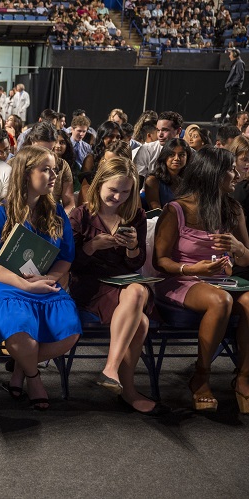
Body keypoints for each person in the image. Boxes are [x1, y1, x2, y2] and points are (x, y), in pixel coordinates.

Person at [0, 145, 82, 410]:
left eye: (54, 169)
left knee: (69, 332)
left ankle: (20, 368)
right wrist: (24, 284)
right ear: (25, 174)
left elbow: (66, 258)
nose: (53, 175)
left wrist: (50, 279)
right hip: (3, 284)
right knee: (22, 333)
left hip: (44, 281)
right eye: (46, 170)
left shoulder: (56, 212)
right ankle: (33, 377)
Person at [152, 147, 249, 413]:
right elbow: (160, 261)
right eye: (230, 168)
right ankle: (201, 376)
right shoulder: (176, 209)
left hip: (220, 280)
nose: (236, 173)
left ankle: (243, 377)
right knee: (220, 301)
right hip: (181, 279)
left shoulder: (233, 208)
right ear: (212, 174)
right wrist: (192, 268)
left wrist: (238, 249)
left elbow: (245, 260)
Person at [69, 157, 167, 415]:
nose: (118, 196)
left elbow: (136, 264)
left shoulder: (135, 214)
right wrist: (92, 246)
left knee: (136, 289)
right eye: (113, 190)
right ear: (99, 184)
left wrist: (133, 246)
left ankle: (112, 370)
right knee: (142, 322)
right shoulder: (80, 215)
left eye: (125, 192)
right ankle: (127, 388)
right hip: (90, 285)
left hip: (124, 285)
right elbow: (68, 262)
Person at [133, 111, 183, 181]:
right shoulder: (146, 150)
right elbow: (137, 182)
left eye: (165, 130)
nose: (160, 135)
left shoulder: (191, 153)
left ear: (178, 131)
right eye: (158, 130)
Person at [144, 138, 191, 210]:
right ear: (164, 156)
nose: (176, 158)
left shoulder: (190, 180)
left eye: (181, 155)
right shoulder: (152, 180)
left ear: (187, 157)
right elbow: (156, 211)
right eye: (171, 155)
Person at [220, 48, 245, 124]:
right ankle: (221, 120)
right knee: (226, 104)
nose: (229, 56)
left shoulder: (239, 63)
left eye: (230, 54)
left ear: (235, 54)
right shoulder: (236, 63)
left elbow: (239, 76)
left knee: (232, 105)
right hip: (231, 87)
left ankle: (233, 122)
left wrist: (232, 84)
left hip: (234, 87)